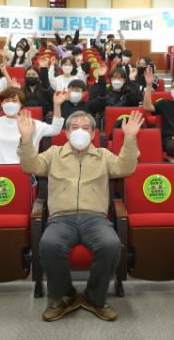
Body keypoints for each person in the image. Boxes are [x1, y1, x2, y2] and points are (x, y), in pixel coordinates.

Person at [17, 109, 143, 322]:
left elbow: (125, 168)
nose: (80, 132)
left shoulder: (103, 155)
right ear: (66, 133)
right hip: (61, 219)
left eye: (85, 128)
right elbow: (30, 165)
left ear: (93, 134)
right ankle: (65, 296)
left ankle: (95, 297)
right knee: (49, 245)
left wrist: (130, 138)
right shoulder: (54, 153)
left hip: (95, 218)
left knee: (111, 245)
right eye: (75, 128)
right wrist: (27, 139)